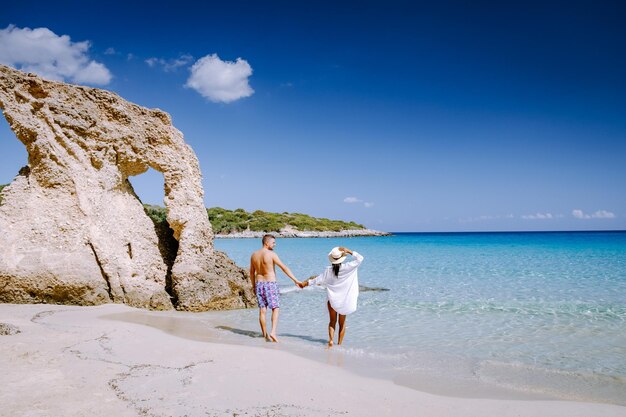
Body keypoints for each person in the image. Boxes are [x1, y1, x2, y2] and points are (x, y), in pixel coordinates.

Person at [301, 246, 363, 347]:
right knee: (342, 323)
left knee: (332, 321)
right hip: (344, 301)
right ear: (342, 258)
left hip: (332, 300)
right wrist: (349, 251)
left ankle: (330, 340)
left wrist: (305, 283)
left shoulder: (328, 270)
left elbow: (317, 280)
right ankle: (339, 345)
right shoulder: (349, 267)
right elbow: (360, 258)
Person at [250, 234, 301, 342]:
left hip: (259, 284)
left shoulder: (254, 255)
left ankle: (265, 335)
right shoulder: (271, 254)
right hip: (270, 284)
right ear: (266, 243)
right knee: (275, 308)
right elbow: (284, 268)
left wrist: (253, 286)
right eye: (273, 242)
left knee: (262, 310)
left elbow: (251, 272)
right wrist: (295, 280)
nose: (275, 244)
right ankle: (273, 332)